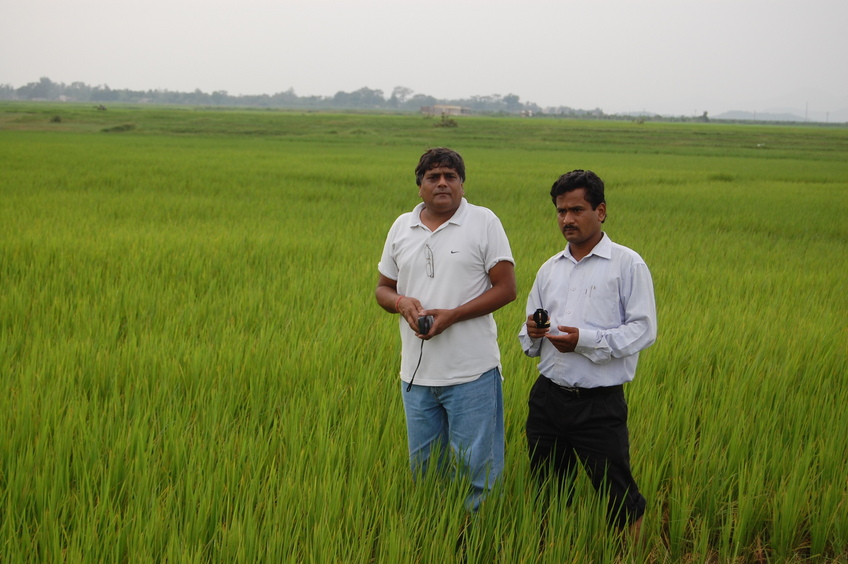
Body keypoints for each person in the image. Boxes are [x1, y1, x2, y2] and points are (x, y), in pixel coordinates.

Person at [518, 169, 657, 541]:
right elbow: (529, 330)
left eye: (577, 210)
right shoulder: (550, 268)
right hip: (548, 397)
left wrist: (584, 340)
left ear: (601, 211)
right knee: (547, 490)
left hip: (599, 404)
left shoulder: (628, 265)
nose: (567, 219)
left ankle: (633, 553)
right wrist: (532, 333)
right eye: (561, 211)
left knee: (619, 494)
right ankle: (550, 548)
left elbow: (643, 329)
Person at [376, 147, 516, 512]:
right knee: (425, 474)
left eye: (450, 176)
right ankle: (434, 538)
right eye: (433, 177)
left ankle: (478, 543)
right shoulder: (401, 226)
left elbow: (506, 288)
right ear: (419, 186)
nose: (442, 183)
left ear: (462, 185)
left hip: (472, 375)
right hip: (417, 377)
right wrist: (400, 302)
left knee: (479, 475)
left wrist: (452, 315)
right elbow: (382, 287)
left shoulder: (484, 222)